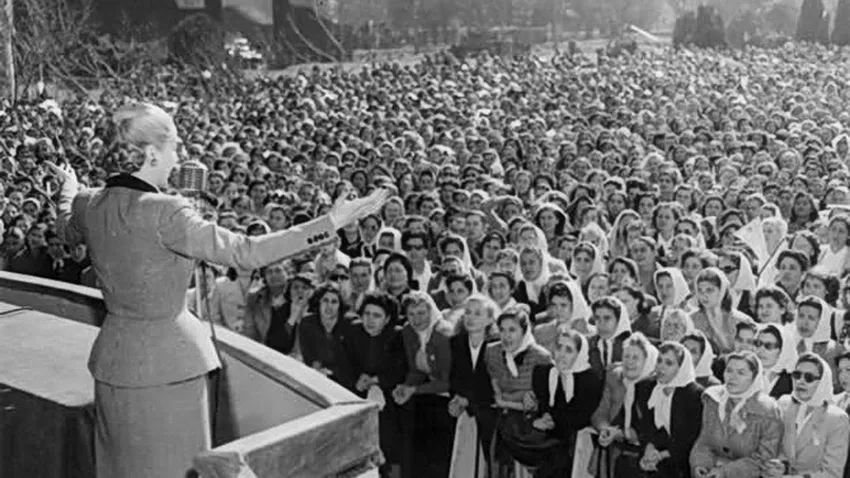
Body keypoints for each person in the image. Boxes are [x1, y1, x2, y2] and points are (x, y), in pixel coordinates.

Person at [49, 102, 389, 478]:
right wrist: (332, 221)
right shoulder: (167, 211)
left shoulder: (89, 203)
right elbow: (246, 252)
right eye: (173, 147)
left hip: (112, 361)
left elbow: (64, 224)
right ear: (151, 154)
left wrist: (69, 186)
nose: (177, 158)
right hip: (169, 367)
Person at [689, 351, 783, 478]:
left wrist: (725, 472)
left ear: (754, 377)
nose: (732, 377)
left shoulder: (768, 410)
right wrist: (701, 464)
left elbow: (764, 459)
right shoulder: (713, 399)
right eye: (729, 371)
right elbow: (704, 441)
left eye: (741, 373)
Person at [765, 353, 850, 478]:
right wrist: (782, 467)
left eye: (809, 378)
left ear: (823, 382)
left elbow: (832, 473)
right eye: (797, 375)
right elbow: (778, 451)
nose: (800, 381)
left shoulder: (837, 419)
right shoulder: (784, 404)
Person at [634, 341, 704, 478]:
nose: (661, 367)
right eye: (659, 361)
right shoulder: (647, 387)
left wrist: (661, 455)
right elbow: (645, 426)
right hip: (655, 453)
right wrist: (649, 448)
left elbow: (690, 438)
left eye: (669, 363)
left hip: (683, 459)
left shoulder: (694, 395)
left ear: (681, 368)